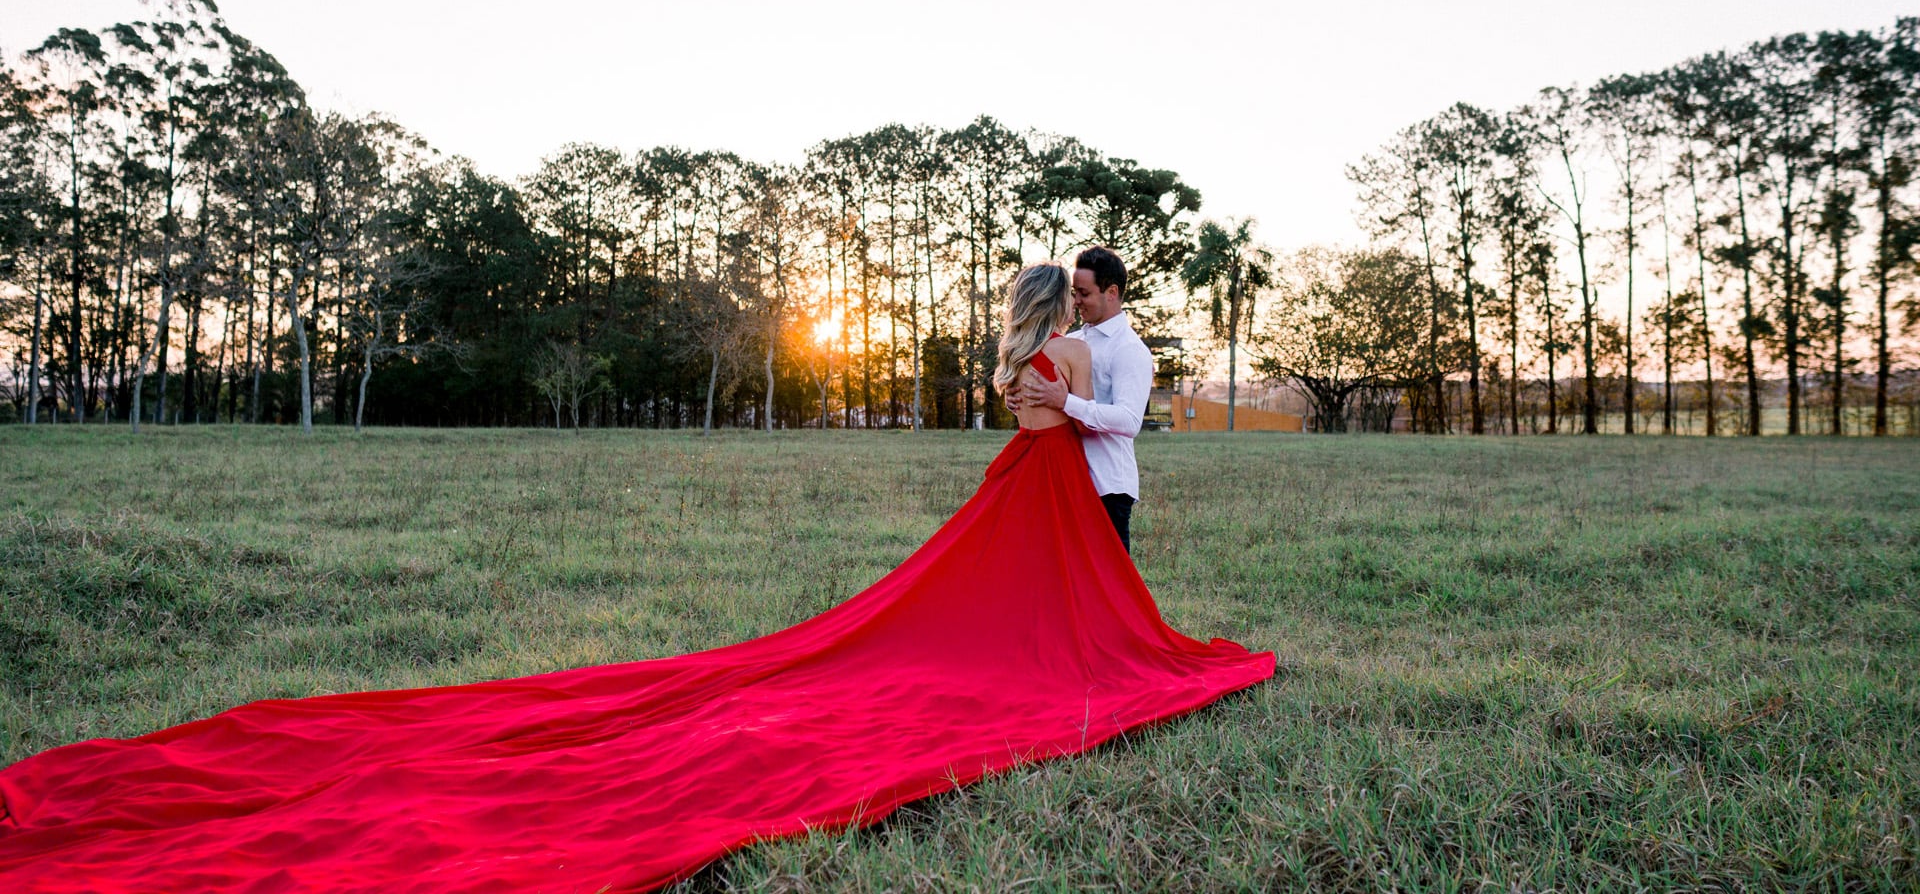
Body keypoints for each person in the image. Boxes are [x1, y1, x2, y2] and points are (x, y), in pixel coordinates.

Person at [0, 262, 1269, 894]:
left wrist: (1062, 397)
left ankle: (1082, 662)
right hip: (1059, 492)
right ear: (1070, 301)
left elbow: (1071, 420)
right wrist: (1070, 395)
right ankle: (1086, 669)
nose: (1076, 305)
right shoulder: (1065, 358)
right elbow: (1080, 422)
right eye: (1072, 298)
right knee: (1052, 627)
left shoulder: (1057, 360)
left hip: (1053, 488)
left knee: (1041, 617)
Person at [1010, 246, 1154, 554]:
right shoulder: (1072, 343)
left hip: (1107, 483)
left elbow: (1130, 421)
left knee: (1111, 581)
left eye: (1084, 293)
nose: (1075, 301)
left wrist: (1066, 402)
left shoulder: (1130, 349)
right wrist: (1015, 397)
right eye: (1073, 293)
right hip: (1065, 482)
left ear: (1111, 292)